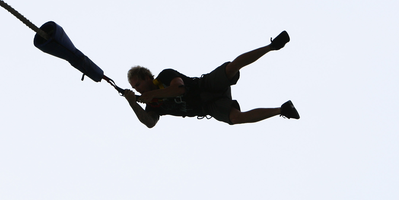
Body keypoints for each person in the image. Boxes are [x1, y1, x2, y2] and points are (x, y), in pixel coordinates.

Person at [122, 31, 300, 128]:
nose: (137, 89)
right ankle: (282, 109)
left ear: (147, 77)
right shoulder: (152, 105)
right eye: (134, 87)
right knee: (236, 118)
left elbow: (179, 89)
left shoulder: (164, 76)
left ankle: (271, 46)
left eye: (138, 84)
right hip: (207, 106)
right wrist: (133, 103)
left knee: (230, 68)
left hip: (203, 86)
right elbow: (150, 123)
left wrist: (152, 95)